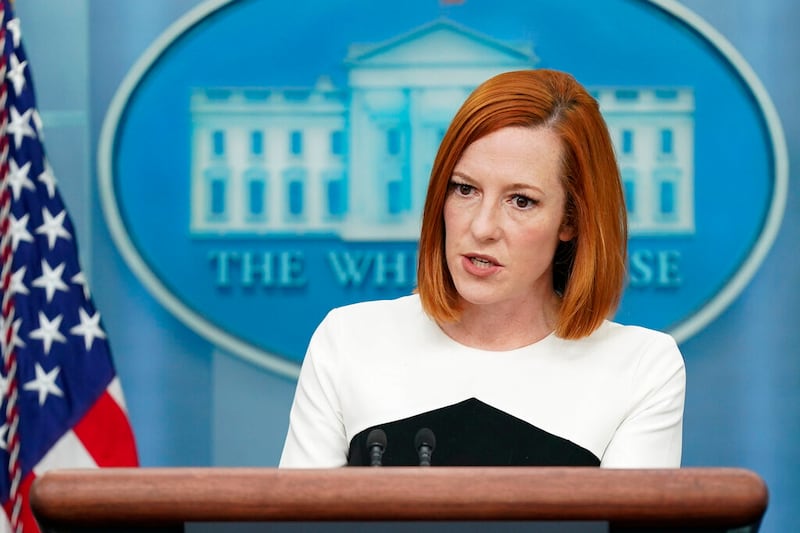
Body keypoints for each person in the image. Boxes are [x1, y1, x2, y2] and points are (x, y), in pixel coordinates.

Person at [279, 69, 685, 468]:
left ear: (571, 220)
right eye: (465, 189)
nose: (482, 227)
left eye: (521, 201)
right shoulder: (349, 340)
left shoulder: (641, 368)